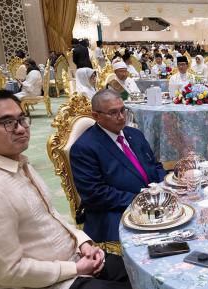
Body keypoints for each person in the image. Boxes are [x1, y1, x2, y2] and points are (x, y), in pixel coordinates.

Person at [0, 88, 138, 289]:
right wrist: (75, 269)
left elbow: (52, 215)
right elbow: (7, 272)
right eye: (7, 123)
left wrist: (83, 242)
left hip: (72, 261)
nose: (21, 128)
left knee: (147, 276)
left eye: (21, 119)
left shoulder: (15, 163)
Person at [70, 89, 166, 243]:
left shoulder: (135, 134)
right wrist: (141, 200)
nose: (121, 117)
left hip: (154, 201)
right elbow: (96, 194)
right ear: (96, 116)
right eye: (113, 113)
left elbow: (155, 165)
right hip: (114, 211)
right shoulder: (84, 148)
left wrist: (164, 187)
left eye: (123, 110)